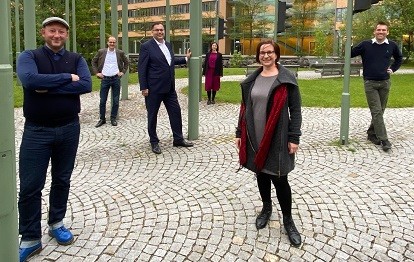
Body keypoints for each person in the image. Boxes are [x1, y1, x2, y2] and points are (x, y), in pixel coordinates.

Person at [16, 17, 92, 261]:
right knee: (30, 186)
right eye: (52, 31)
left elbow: (87, 85)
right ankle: (30, 238)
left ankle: (56, 223)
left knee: (62, 179)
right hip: (37, 131)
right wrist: (67, 78)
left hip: (69, 128)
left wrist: (45, 88)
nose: (56, 35)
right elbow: (29, 81)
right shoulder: (29, 56)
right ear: (43, 32)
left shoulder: (76, 59)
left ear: (66, 35)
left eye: (61, 31)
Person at [235, 40, 302, 247]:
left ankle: (288, 221)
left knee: (280, 178)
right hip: (254, 135)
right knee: (261, 173)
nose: (266, 55)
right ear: (258, 56)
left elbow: (296, 110)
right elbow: (245, 108)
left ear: (276, 54)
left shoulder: (286, 79)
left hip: (278, 137)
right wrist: (239, 132)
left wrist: (294, 137)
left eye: (270, 52)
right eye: (262, 52)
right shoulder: (252, 80)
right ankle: (266, 208)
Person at [138, 22, 193, 154]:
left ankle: (178, 139)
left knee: (176, 112)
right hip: (153, 89)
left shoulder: (168, 45)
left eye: (161, 29)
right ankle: (154, 142)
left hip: (169, 88)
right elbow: (142, 68)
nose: (160, 32)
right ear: (152, 32)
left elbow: (170, 61)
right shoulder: (146, 47)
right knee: (152, 116)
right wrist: (144, 87)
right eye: (157, 30)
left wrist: (185, 58)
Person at [351, 21, 402, 151]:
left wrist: (393, 69)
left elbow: (399, 58)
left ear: (387, 32)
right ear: (374, 31)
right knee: (377, 111)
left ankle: (371, 133)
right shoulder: (365, 45)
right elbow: (349, 53)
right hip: (370, 83)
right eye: (378, 30)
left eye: (383, 30)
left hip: (385, 82)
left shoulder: (392, 45)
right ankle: (384, 139)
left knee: (381, 110)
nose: (381, 32)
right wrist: (348, 42)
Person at [92, 36, 129, 127]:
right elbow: (94, 61)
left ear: (116, 43)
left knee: (116, 100)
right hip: (105, 79)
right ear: (107, 43)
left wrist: (123, 72)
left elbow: (127, 62)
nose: (112, 44)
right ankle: (102, 119)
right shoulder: (101, 52)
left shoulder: (120, 53)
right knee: (102, 100)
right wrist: (97, 72)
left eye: (114, 42)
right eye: (110, 42)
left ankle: (113, 118)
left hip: (116, 78)